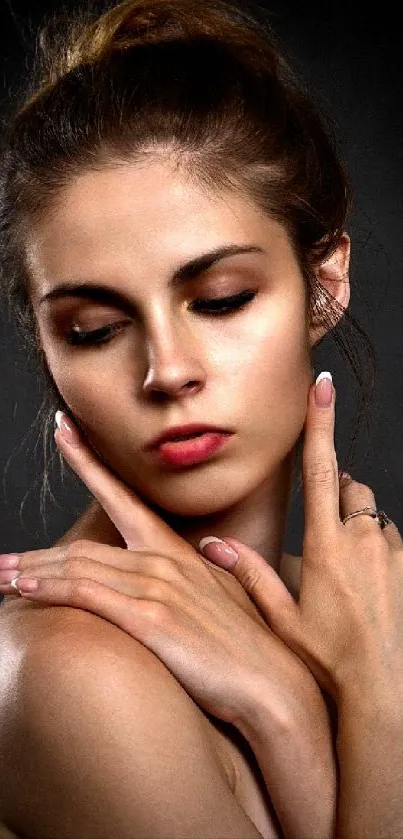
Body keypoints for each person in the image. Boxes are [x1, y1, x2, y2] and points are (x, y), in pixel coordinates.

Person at [0, 1, 401, 837]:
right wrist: (330, 709)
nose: (167, 370)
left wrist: (310, 706)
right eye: (95, 330)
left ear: (323, 283)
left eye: (219, 299)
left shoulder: (366, 624)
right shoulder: (71, 670)